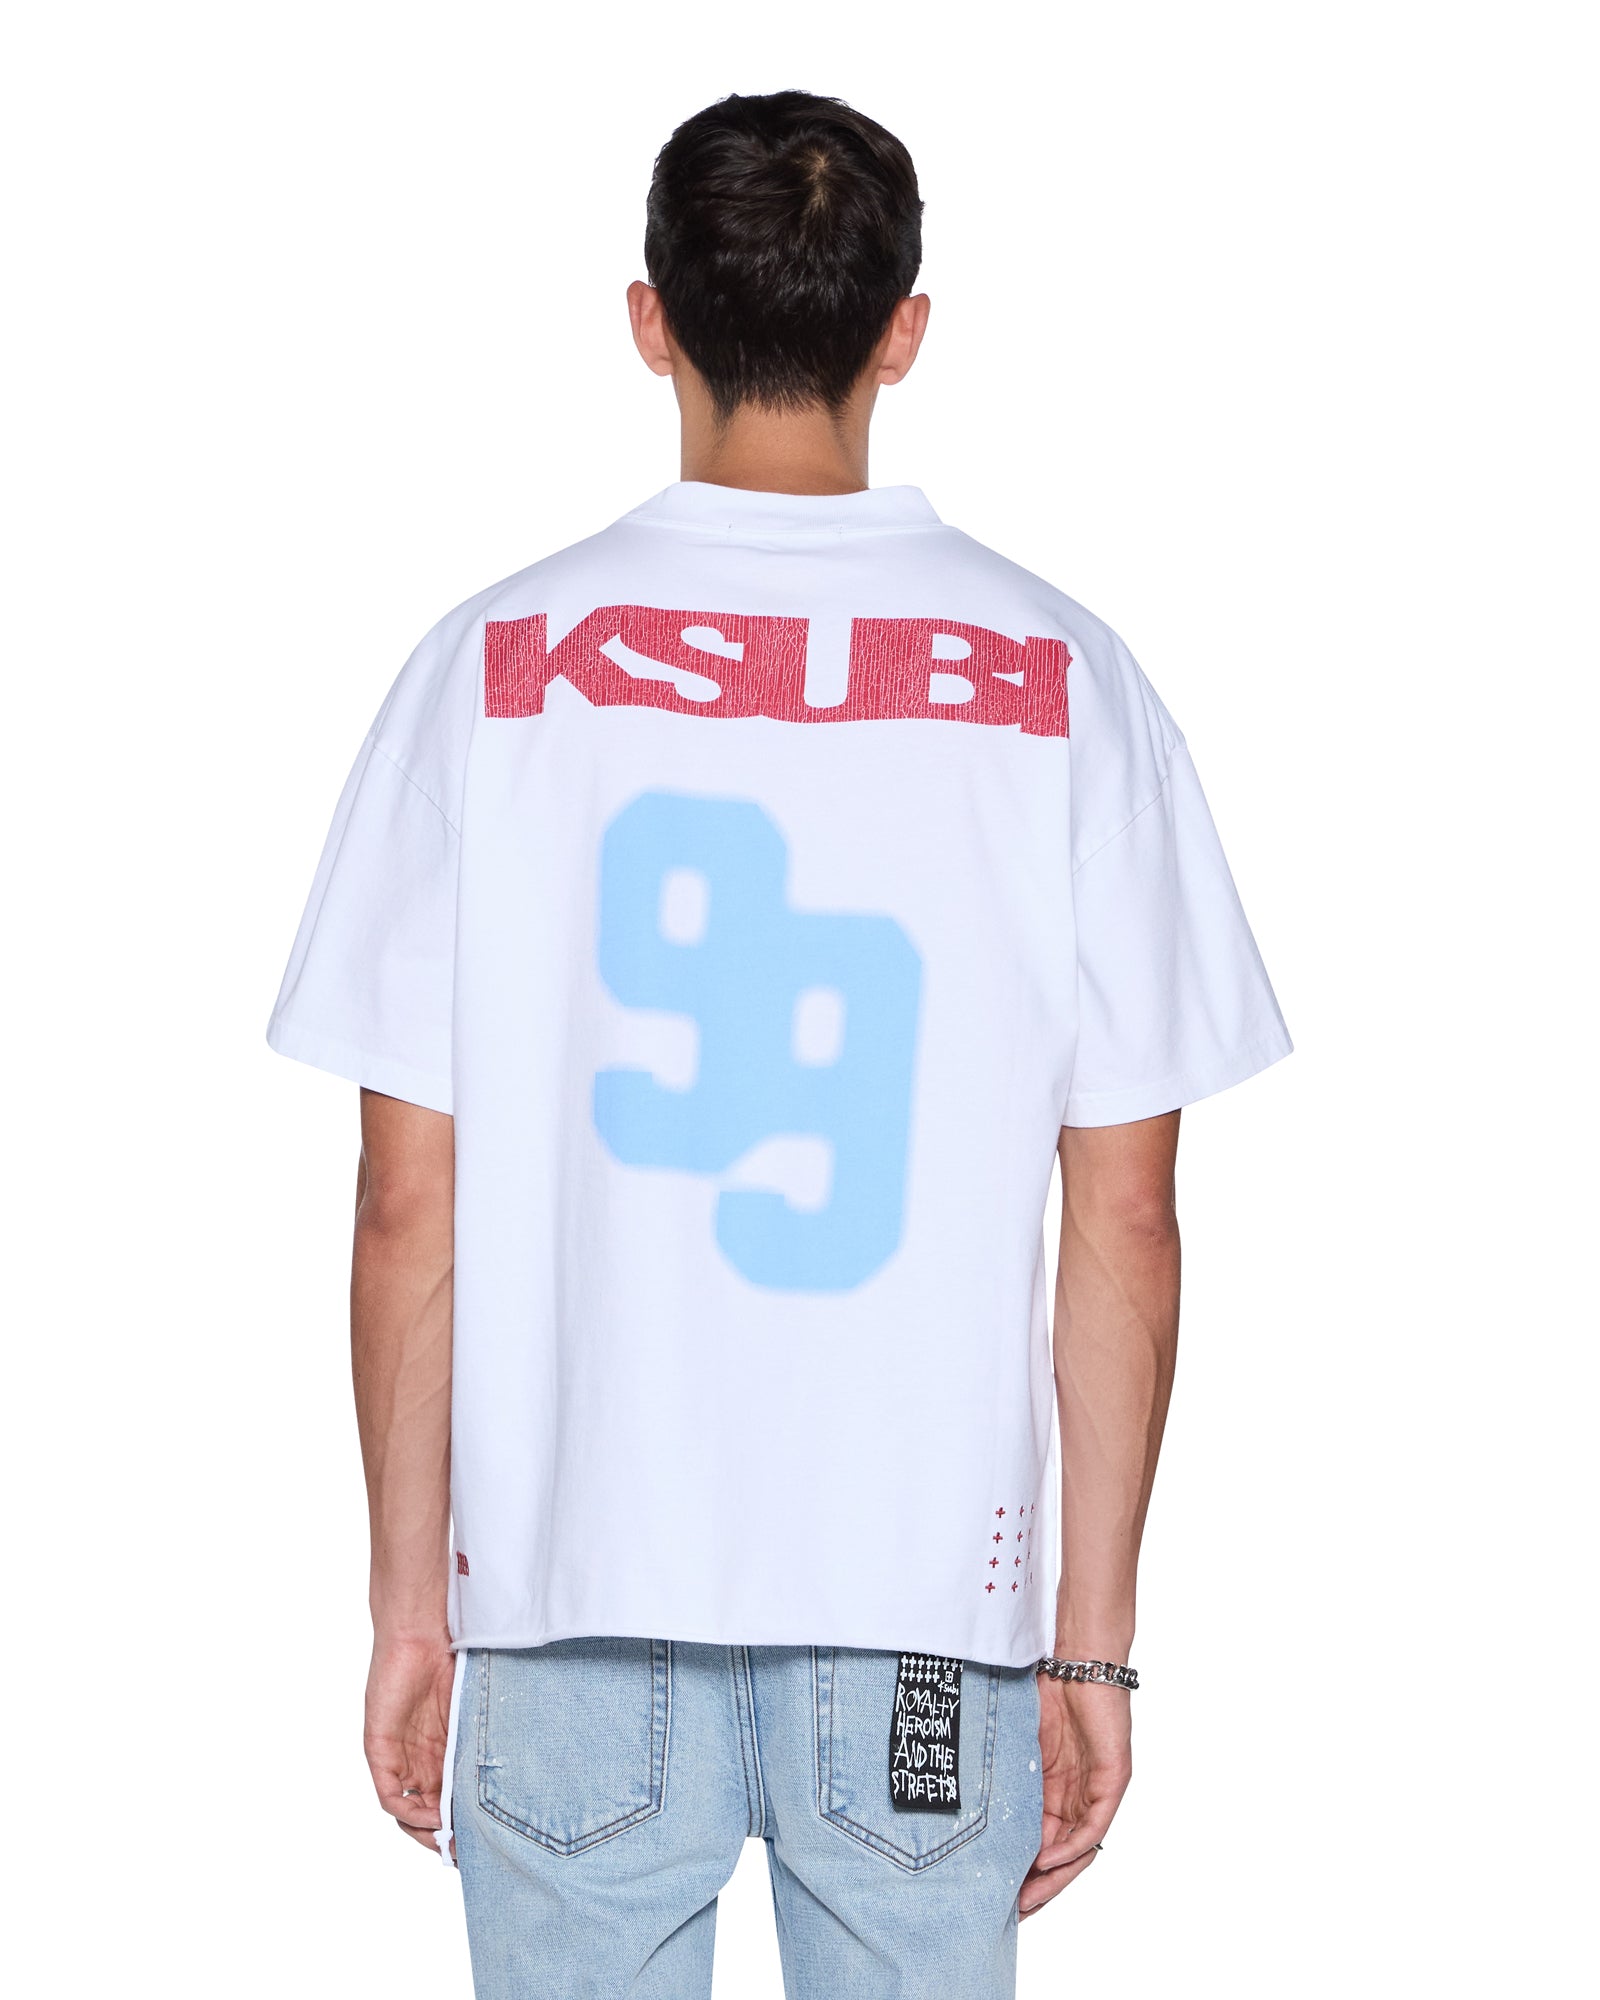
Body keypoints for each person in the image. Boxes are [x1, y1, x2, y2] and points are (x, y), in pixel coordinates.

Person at [267, 88, 1290, 2000]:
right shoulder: (1067, 680)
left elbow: (410, 1205)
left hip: (570, 1600)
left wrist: (413, 1605)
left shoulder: (488, 671)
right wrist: (1089, 1639)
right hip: (929, 1620)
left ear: (648, 319)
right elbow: (1128, 1218)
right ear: (905, 330)